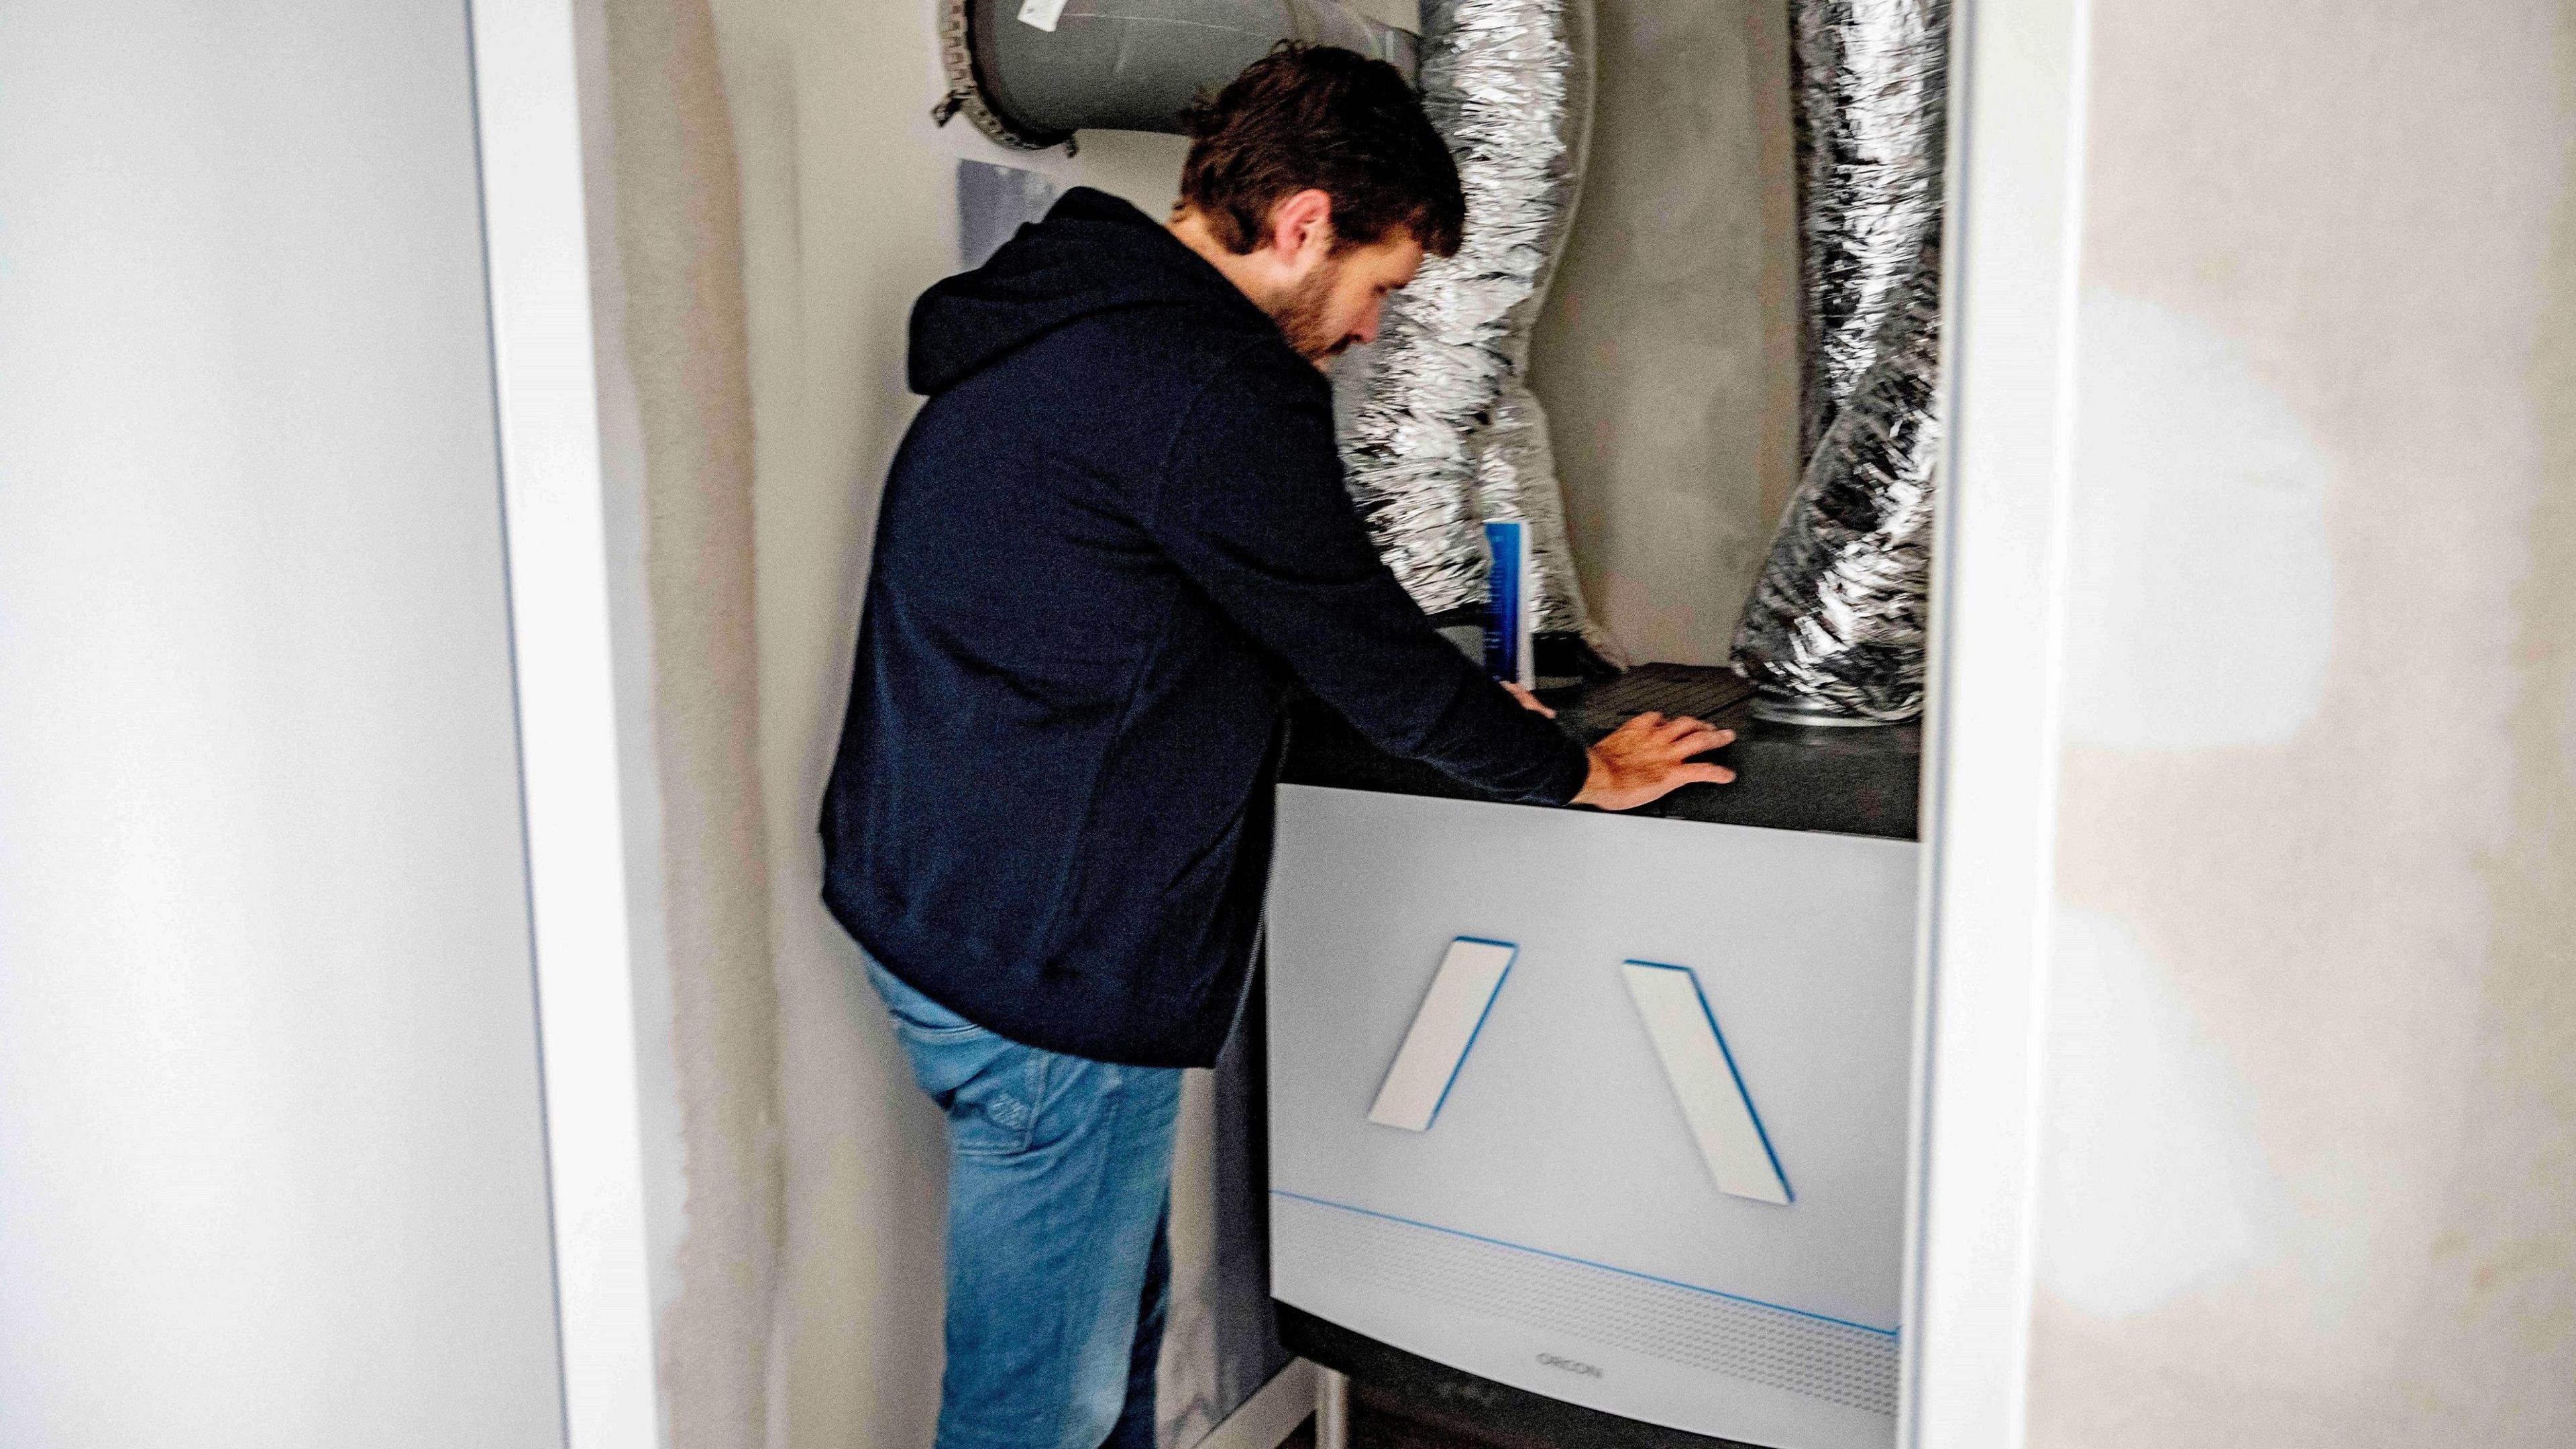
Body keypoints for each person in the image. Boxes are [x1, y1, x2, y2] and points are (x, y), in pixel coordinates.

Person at [818, 42, 1733, 1449]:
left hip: (933, 897)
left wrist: (1480, 716)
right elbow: (1358, 643)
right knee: (1041, 1405)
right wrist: (1577, 771)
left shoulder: (1066, 325)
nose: (1369, 331)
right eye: (1378, 286)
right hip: (1047, 971)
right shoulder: (1207, 385)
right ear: (1305, 219)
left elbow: (1176, 620)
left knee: (1100, 1332)